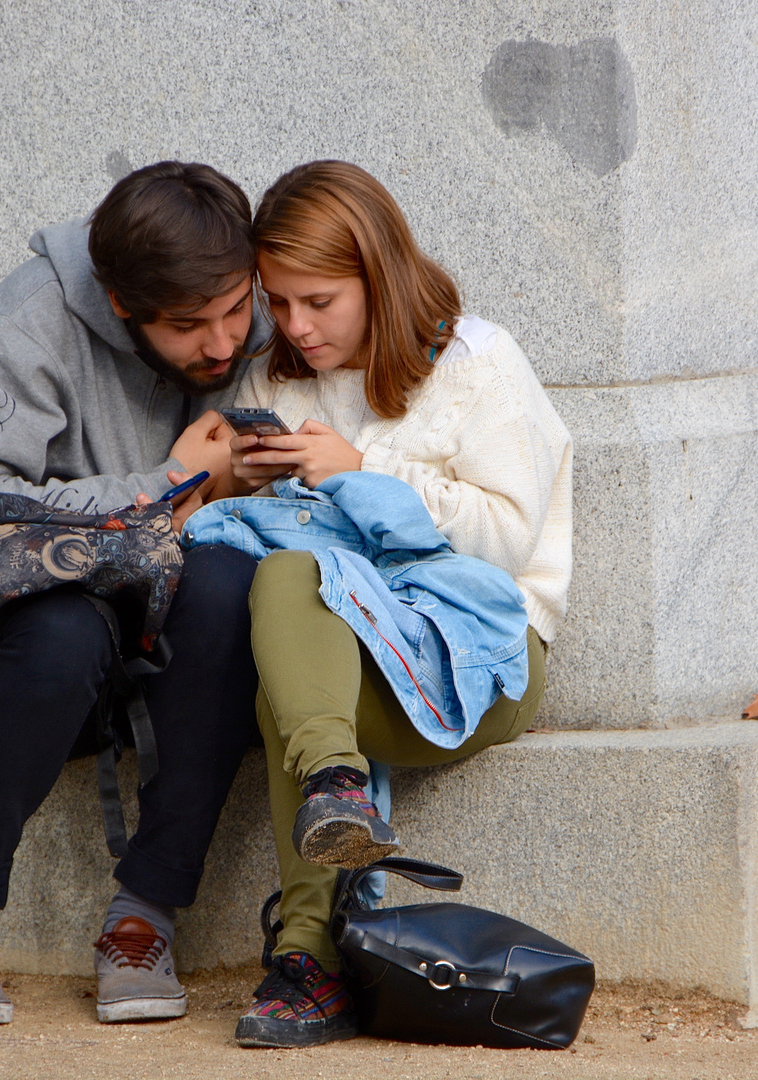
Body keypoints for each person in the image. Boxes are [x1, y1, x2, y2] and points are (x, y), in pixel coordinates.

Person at [0, 161, 269, 1026]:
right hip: (27, 651)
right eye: (189, 327)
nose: (223, 344)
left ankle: (143, 919)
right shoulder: (22, 326)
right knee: (65, 629)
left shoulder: (262, 313)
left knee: (228, 585)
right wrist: (171, 484)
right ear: (118, 302)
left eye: (234, 309)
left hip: (181, 651)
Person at [223, 160, 574, 1048]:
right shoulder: (279, 380)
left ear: (377, 277)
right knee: (287, 586)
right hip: (344, 657)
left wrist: (363, 474)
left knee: (290, 694)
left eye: (320, 301)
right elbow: (275, 549)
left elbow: (506, 542)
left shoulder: (479, 364)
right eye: (279, 303)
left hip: (479, 656)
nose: (297, 328)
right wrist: (245, 484)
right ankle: (339, 791)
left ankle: (307, 961)